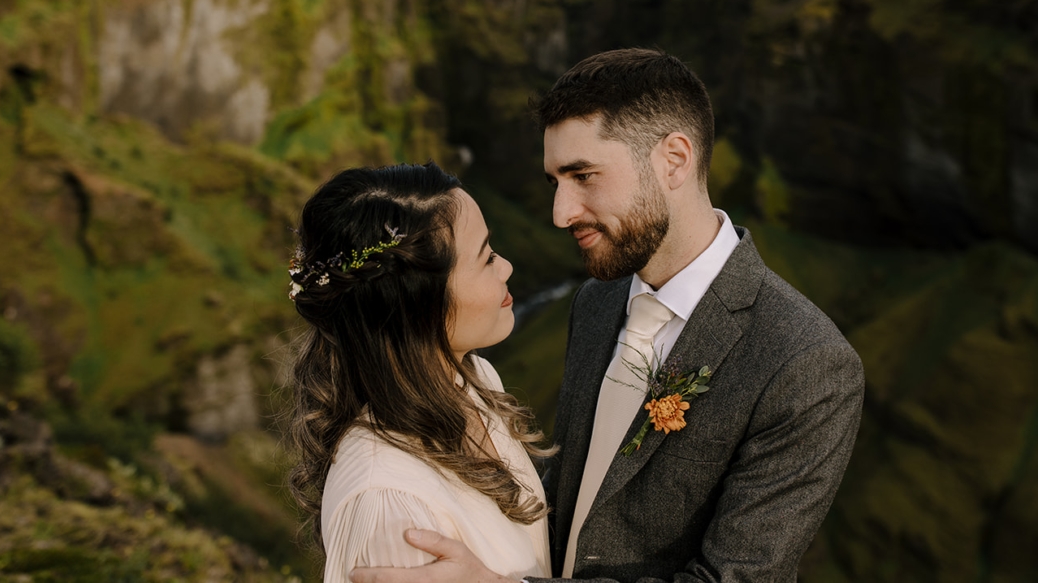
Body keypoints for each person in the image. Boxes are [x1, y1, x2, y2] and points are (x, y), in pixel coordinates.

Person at [351, 49, 864, 583]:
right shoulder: (596, 301)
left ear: (674, 160)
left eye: (584, 175)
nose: (560, 213)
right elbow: (576, 495)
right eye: (555, 181)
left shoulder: (806, 363)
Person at [285, 163, 553, 581]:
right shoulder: (391, 503)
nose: (507, 268)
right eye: (486, 259)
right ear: (416, 306)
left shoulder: (474, 381)